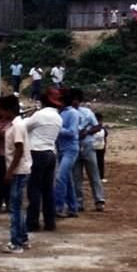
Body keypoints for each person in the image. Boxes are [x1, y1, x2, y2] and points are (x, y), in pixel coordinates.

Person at [0, 95, 32, 254]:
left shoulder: (17, 126)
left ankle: (16, 242)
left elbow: (19, 149)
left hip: (18, 171)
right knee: (18, 207)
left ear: (8, 110)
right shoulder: (14, 125)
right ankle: (23, 238)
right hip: (19, 170)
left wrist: (9, 171)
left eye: (1, 109)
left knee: (15, 207)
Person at [25, 90, 63, 232]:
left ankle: (33, 222)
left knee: (34, 189)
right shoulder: (58, 117)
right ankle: (50, 222)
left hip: (37, 152)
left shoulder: (40, 115)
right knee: (48, 190)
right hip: (50, 152)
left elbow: (25, 127)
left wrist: (28, 117)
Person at [70, 90, 106, 212]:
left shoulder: (87, 112)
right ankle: (79, 202)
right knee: (76, 176)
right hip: (74, 146)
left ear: (79, 100)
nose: (73, 102)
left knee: (94, 173)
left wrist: (87, 132)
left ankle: (99, 199)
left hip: (87, 145)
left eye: (75, 99)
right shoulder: (67, 113)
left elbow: (97, 126)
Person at [54, 89, 80, 218]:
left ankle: (58, 206)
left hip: (70, 149)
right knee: (67, 178)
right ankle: (73, 207)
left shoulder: (73, 113)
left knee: (60, 177)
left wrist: (57, 129)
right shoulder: (61, 112)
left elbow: (72, 132)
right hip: (62, 148)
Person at [93, 112, 108, 180]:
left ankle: (100, 176)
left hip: (100, 148)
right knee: (95, 163)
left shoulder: (103, 129)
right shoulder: (92, 128)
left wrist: (104, 146)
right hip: (94, 148)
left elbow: (105, 138)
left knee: (100, 163)